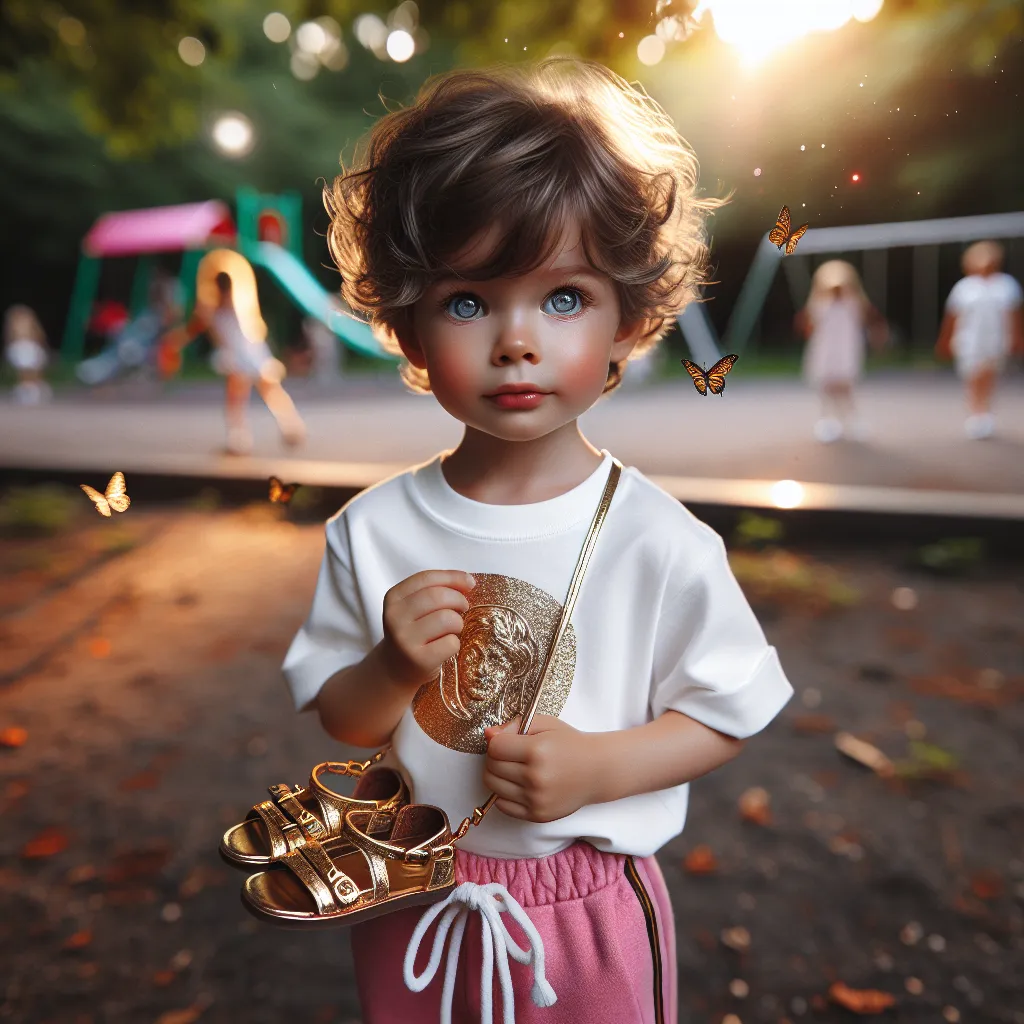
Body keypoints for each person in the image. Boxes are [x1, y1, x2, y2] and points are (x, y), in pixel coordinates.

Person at [281, 59, 793, 1024]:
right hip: (417, 896)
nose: (516, 340)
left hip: (588, 907)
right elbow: (344, 719)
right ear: (412, 331)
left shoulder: (661, 540)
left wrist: (605, 768)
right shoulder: (373, 530)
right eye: (469, 301)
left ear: (625, 324)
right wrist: (393, 664)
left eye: (562, 298)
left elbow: (730, 707)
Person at [162, 251, 306, 455]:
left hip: (240, 354)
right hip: (252, 351)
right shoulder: (239, 302)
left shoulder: (217, 307)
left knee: (239, 398)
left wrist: (177, 341)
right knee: (268, 391)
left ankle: (241, 439)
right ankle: (288, 426)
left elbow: (197, 328)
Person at [935, 240, 1024, 440]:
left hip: (996, 339)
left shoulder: (1006, 285)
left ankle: (984, 412)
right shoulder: (964, 287)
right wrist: (945, 341)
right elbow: (952, 317)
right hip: (969, 340)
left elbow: (1015, 315)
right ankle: (976, 412)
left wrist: (1018, 338)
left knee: (989, 375)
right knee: (973, 375)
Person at [795, 259, 888, 443]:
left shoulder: (854, 302)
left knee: (846, 387)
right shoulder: (818, 303)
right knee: (827, 386)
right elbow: (806, 325)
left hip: (846, 349)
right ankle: (828, 420)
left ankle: (852, 419)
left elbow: (871, 319)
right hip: (826, 350)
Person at [4, 305, 52, 405]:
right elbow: (11, 338)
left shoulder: (31, 325)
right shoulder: (13, 325)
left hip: (30, 347)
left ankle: (35, 390)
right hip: (19, 347)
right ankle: (27, 391)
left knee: (33, 371)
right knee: (23, 371)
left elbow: (39, 336)